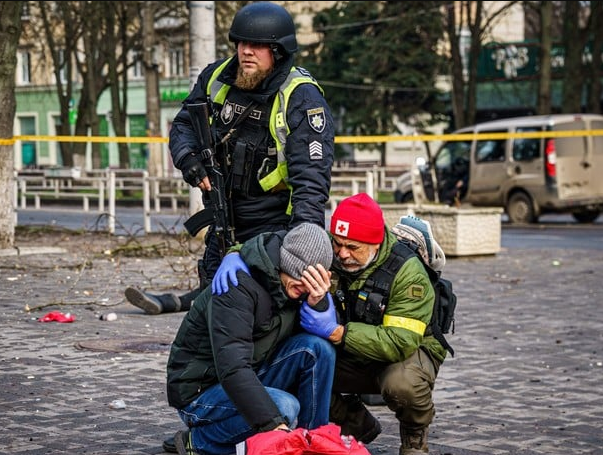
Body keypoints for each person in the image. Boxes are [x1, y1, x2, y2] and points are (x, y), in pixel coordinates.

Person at [124, 1, 334, 315]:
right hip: (224, 213)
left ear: (277, 51)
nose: (246, 51)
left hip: (273, 224)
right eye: (242, 43)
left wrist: (301, 253)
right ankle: (192, 306)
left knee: (258, 305)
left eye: (258, 45)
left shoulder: (301, 97)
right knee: (214, 293)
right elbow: (183, 124)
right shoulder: (218, 77)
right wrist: (190, 162)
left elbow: (311, 183)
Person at [212, 193, 449, 454]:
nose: (342, 254)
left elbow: (400, 341)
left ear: (376, 243)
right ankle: (354, 424)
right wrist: (238, 255)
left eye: (353, 247)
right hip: (349, 348)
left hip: (404, 354)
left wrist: (336, 332)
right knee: (303, 365)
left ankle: (414, 438)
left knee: (403, 385)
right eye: (337, 243)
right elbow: (277, 245)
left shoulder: (408, 272)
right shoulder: (330, 247)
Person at [167, 222, 336, 455]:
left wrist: (319, 304)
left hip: (252, 370)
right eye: (300, 281)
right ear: (285, 264)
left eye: (310, 284)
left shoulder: (295, 288)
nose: (304, 289)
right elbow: (233, 368)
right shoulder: (236, 285)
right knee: (283, 407)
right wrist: (274, 427)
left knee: (318, 349)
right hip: (200, 391)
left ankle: (311, 442)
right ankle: (200, 441)